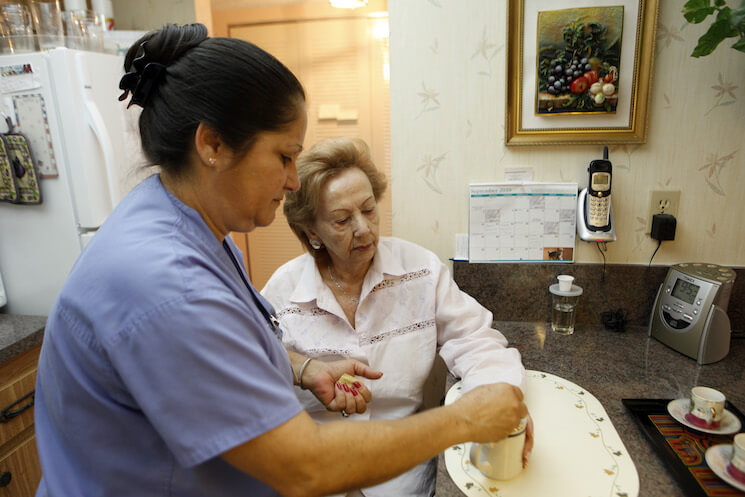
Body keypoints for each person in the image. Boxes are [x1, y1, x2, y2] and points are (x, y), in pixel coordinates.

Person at [33, 24, 528, 497]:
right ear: (212, 145)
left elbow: (216, 354)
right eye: (284, 156)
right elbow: (303, 465)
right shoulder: (166, 283)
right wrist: (465, 419)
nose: (292, 181)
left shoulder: (193, 232)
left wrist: (301, 366)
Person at [261, 136, 534, 497]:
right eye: (342, 220)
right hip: (315, 478)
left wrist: (496, 397)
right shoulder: (283, 290)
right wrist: (302, 367)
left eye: (369, 209)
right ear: (313, 232)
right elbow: (251, 363)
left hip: (402, 478)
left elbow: (475, 340)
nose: (363, 228)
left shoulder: (419, 271)